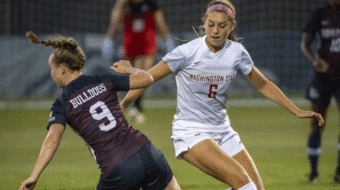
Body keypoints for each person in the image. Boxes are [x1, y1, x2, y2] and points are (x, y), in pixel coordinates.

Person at [117, 0, 325, 190]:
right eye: (211, 24)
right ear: (204, 22)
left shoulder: (237, 52)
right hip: (191, 131)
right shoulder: (187, 52)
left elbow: (263, 85)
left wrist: (296, 111)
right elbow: (147, 77)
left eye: (222, 25)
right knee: (245, 186)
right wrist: (124, 104)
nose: (215, 31)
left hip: (223, 131)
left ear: (232, 26)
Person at [19, 31, 181, 190]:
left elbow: (52, 139)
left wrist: (34, 176)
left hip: (118, 168)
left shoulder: (62, 103)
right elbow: (147, 79)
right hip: (147, 152)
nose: (52, 73)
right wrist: (131, 69)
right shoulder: (102, 80)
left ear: (62, 69)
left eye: (52, 68)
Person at [102, 0, 175, 123]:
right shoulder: (124, 4)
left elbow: (160, 22)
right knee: (133, 76)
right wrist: (109, 39)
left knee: (143, 73)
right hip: (130, 42)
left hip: (147, 43)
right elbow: (116, 21)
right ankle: (134, 105)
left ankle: (137, 106)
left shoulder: (151, 4)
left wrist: (167, 40)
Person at [300, 0, 340, 183]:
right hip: (322, 78)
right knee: (317, 124)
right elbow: (305, 44)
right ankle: (313, 173)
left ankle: (339, 172)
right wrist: (314, 60)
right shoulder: (319, 14)